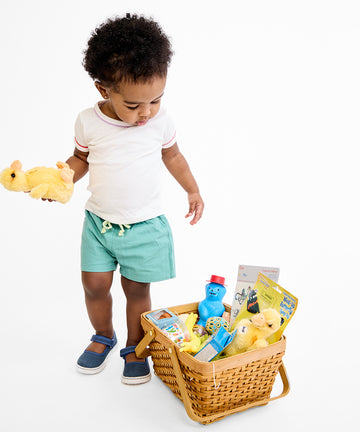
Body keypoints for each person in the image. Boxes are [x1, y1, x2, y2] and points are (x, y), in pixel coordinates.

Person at [66, 13, 204, 384]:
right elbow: (80, 159)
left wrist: (192, 189)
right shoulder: (88, 121)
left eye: (155, 100)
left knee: (137, 289)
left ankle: (134, 344)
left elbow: (172, 156)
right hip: (99, 223)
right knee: (94, 285)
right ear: (103, 90)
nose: (146, 113)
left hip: (143, 225)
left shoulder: (160, 122)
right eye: (133, 105)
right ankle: (103, 335)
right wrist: (63, 177)